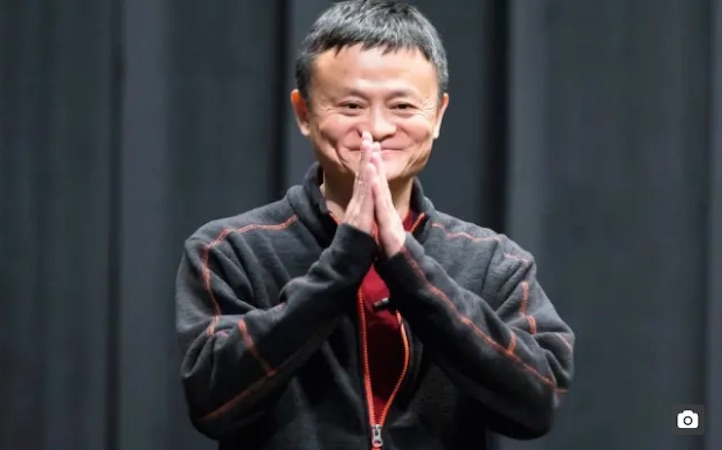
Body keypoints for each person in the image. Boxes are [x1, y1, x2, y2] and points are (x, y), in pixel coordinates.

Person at [175, 1, 575, 449]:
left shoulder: (494, 263)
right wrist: (342, 264)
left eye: (403, 106)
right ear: (304, 113)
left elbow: (536, 404)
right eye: (351, 105)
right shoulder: (231, 250)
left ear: (438, 116)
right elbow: (213, 403)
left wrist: (409, 268)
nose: (378, 128)